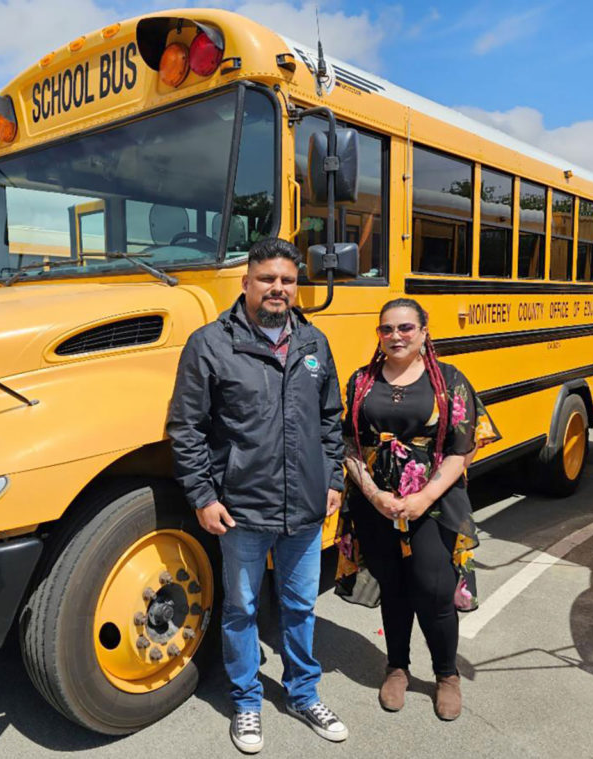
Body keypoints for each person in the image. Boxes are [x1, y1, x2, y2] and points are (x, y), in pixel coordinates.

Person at [167, 237, 347, 753]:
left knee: (298, 606)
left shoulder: (314, 343)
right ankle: (246, 702)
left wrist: (332, 478)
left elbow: (330, 419)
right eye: (267, 278)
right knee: (242, 610)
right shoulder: (211, 344)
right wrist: (203, 495)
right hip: (242, 510)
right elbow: (186, 428)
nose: (278, 288)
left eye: (287, 280)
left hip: (306, 509)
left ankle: (302, 692)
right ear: (246, 283)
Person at [341, 298, 499, 721]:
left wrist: (424, 497)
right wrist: (374, 495)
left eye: (406, 328)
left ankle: (446, 675)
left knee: (433, 588)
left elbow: (460, 449)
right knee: (392, 587)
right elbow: (350, 446)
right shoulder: (360, 382)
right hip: (377, 503)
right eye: (387, 329)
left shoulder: (449, 381)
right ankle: (397, 668)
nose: (396, 336)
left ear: (424, 332)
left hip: (433, 504)